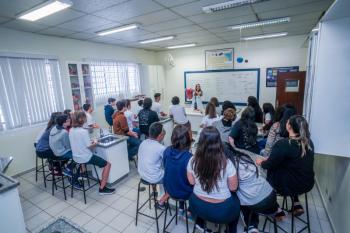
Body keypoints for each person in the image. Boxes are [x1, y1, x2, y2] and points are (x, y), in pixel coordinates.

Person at [256, 115, 315, 216]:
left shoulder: (284, 144)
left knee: (265, 173)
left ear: (289, 127)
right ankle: (296, 203)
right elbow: (293, 162)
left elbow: (267, 165)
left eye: (287, 122)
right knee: (291, 170)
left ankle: (275, 208)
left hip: (288, 185)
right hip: (307, 184)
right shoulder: (309, 143)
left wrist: (260, 162)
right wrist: (271, 160)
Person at [187, 127, 240, 233]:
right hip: (221, 211)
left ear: (201, 141)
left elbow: (191, 182)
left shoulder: (192, 161)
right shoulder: (227, 163)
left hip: (197, 206)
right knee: (237, 203)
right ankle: (231, 230)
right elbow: (234, 188)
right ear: (219, 142)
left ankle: (200, 223)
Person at [227, 150, 285, 232]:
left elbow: (232, 188)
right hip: (271, 194)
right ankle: (277, 210)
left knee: (242, 199)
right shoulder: (244, 158)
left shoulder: (230, 166)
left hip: (257, 203)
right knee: (256, 192)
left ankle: (251, 226)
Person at [69, 111, 115, 195]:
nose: (86, 119)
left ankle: (83, 175)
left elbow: (79, 142)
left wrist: (91, 142)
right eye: (85, 118)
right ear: (81, 119)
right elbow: (90, 146)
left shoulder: (71, 130)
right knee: (108, 164)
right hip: (86, 157)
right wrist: (96, 142)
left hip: (75, 157)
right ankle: (102, 188)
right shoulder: (83, 132)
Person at [163, 125, 193, 216]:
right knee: (198, 187)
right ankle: (190, 212)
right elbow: (192, 181)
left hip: (169, 188)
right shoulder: (189, 158)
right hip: (183, 192)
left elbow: (166, 167)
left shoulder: (167, 150)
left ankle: (181, 208)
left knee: (179, 177)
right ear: (188, 140)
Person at [138, 122, 169, 207]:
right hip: (153, 177)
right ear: (160, 136)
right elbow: (169, 162)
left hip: (142, 174)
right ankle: (161, 202)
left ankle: (155, 191)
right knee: (171, 177)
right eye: (163, 133)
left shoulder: (143, 143)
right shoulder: (161, 148)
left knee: (157, 167)